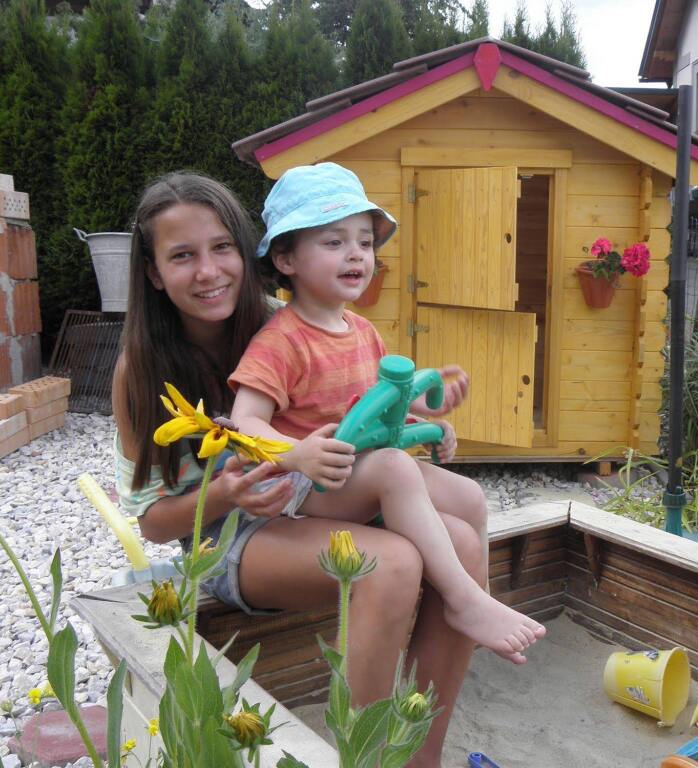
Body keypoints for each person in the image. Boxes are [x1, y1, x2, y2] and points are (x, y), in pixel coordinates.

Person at [111, 171, 490, 765]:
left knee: (463, 540)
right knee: (391, 564)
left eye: (222, 247)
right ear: (154, 272)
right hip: (229, 535)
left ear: (248, 252)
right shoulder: (141, 369)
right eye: (183, 256)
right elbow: (153, 524)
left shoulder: (289, 320)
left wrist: (419, 413)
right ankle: (365, 759)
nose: (208, 271)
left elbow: (353, 414)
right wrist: (229, 492)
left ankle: (421, 757)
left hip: (315, 495)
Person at [228, 162, 546, 665]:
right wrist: (298, 454)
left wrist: (429, 415)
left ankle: (474, 598)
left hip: (360, 474)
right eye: (334, 242)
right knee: (396, 467)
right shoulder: (281, 340)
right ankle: (463, 600)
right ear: (286, 258)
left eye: (365, 242)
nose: (356, 253)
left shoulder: (361, 330)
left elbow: (380, 397)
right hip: (307, 484)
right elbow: (243, 421)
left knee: (467, 495)